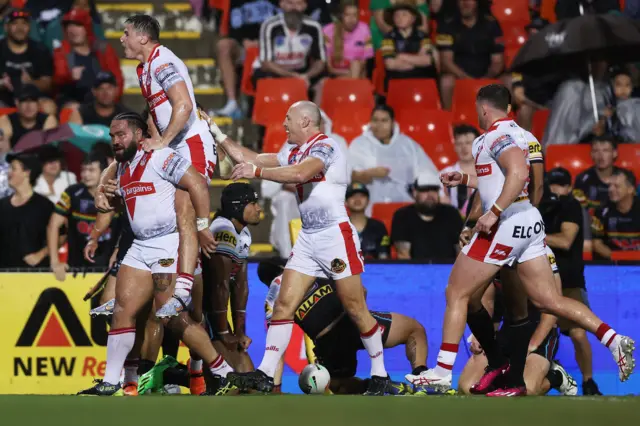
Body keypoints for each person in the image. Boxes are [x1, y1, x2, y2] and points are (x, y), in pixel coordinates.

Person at [417, 84, 634, 393]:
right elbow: (522, 181)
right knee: (549, 300)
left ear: (483, 109)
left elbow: (516, 173)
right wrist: (464, 178)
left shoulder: (490, 137)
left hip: (505, 221)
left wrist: (494, 212)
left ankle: (441, 370)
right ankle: (613, 339)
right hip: (530, 220)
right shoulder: (529, 138)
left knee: (457, 293)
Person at [212, 100, 392, 395]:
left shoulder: (327, 146)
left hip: (335, 235)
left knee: (356, 308)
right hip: (309, 238)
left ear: (306, 122)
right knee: (284, 304)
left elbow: (299, 175)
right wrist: (218, 136)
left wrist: (255, 173)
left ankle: (380, 373)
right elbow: (252, 157)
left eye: (288, 119)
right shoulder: (292, 150)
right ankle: (266, 374)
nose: (283, 124)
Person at [77, 112, 231, 396]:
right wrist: (105, 200)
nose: (115, 141)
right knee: (122, 310)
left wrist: (202, 224)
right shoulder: (123, 168)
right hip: (140, 245)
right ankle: (114, 381)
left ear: (139, 135)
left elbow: (196, 182)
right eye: (112, 136)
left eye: (120, 134)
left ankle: (223, 371)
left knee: (174, 317)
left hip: (169, 243)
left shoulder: (161, 157)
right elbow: (126, 206)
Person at [114, 14, 218, 317]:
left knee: (184, 207)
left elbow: (184, 105)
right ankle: (135, 290)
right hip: (174, 144)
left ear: (143, 38)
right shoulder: (145, 68)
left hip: (192, 144)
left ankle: (183, 289)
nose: (122, 38)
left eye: (126, 33)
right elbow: (153, 113)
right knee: (159, 211)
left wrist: (163, 142)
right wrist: (153, 142)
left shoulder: (162, 61)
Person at [137, 183, 263, 395]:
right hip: (200, 312)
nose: (259, 208)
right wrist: (223, 333)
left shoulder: (244, 234)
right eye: (253, 203)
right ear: (237, 207)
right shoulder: (223, 232)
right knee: (234, 386)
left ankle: (181, 375)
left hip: (210, 313)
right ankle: (163, 375)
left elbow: (240, 285)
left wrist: (239, 331)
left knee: (245, 379)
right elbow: (218, 287)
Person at [258, 258, 429, 395]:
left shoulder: (272, 299)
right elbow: (361, 291)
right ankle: (421, 378)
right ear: (284, 265)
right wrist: (363, 320)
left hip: (327, 343)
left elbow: (277, 345)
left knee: (340, 386)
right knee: (415, 331)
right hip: (350, 324)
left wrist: (276, 386)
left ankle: (372, 387)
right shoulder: (308, 267)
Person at [542, 167, 602, 395]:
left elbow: (566, 240)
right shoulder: (540, 208)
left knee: (578, 333)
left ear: (569, 187)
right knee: (534, 333)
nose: (556, 189)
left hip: (569, 282)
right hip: (542, 281)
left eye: (560, 185)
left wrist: (534, 233)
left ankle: (588, 381)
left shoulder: (571, 206)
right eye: (552, 184)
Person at [348, 104, 439, 213]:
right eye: (375, 120)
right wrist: (369, 174)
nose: (379, 125)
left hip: (407, 206)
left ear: (392, 123)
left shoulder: (408, 145)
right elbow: (349, 176)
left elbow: (427, 172)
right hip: (371, 208)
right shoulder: (359, 144)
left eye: (384, 121)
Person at [47, 153, 117, 281]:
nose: (86, 174)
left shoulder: (115, 193)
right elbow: (53, 225)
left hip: (110, 268)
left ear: (103, 172)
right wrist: (54, 261)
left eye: (91, 170)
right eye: (83, 170)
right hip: (76, 270)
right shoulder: (71, 193)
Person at [214, 0, 279, 118]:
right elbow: (233, 27)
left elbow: (285, 24)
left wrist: (262, 42)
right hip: (245, 46)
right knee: (223, 46)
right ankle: (232, 102)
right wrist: (243, 40)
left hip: (275, 46)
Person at [253, 0, 327, 103]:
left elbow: (321, 61)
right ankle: (269, 115)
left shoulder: (314, 26)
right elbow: (266, 63)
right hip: (275, 71)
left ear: (305, 6)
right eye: (290, 3)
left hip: (302, 71)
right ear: (281, 4)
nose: (294, 8)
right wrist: (292, 76)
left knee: (324, 81)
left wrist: (307, 76)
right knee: (263, 76)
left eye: (298, 3)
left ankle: (315, 115)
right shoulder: (270, 25)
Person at [436, 0, 504, 109]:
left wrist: (486, 78)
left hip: (487, 74)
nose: (465, 3)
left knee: (509, 80)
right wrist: (465, 78)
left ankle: (504, 123)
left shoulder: (491, 24)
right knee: (446, 81)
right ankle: (448, 119)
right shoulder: (446, 25)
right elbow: (446, 60)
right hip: (458, 75)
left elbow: (498, 61)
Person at [53, 7, 123, 107]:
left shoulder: (103, 49)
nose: (73, 30)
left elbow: (117, 80)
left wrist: (110, 101)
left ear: (87, 27)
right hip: (73, 102)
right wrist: (69, 77)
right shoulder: (61, 50)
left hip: (103, 101)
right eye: (69, 26)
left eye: (78, 25)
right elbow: (57, 82)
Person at [391, 172, 463, 260]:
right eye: (424, 190)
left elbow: (461, 252)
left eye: (434, 190)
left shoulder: (451, 214)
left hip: (448, 270)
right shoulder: (402, 216)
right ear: (414, 193)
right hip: (416, 270)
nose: (430, 195)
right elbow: (403, 255)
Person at [0, 152, 54, 268]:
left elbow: (61, 235)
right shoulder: (2, 205)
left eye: (13, 169)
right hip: (3, 275)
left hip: (34, 275)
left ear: (27, 173)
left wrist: (40, 255)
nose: (9, 173)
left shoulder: (44, 206)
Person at [0, 9, 56, 114]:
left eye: (24, 23)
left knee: (49, 106)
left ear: (29, 27)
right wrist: (2, 83)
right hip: (4, 98)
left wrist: (31, 83)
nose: (20, 28)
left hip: (33, 98)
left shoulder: (40, 50)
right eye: (15, 23)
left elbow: (47, 83)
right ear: (6, 27)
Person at [381, 3, 438, 91]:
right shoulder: (388, 37)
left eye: (404, 14)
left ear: (413, 18)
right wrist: (417, 60)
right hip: (396, 81)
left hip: (421, 80)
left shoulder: (423, 36)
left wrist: (400, 56)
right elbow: (390, 64)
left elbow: (428, 61)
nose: (400, 18)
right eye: (396, 15)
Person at [593, 169, 640, 257]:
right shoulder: (601, 210)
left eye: (616, 186)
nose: (610, 189)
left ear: (630, 189)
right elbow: (596, 244)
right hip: (612, 263)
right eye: (610, 185)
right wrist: (617, 259)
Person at [573, 135, 625, 216]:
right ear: (591, 154)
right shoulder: (582, 179)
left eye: (605, 151)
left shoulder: (625, 178)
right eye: (596, 151)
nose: (600, 156)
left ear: (614, 153)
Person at [323, 1, 374, 79]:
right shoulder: (327, 31)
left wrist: (353, 72)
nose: (352, 19)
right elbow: (329, 68)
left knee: (356, 63)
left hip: (359, 74)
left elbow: (364, 63)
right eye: (347, 15)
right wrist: (348, 73)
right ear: (341, 16)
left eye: (355, 15)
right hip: (336, 75)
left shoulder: (365, 29)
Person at [0, 84, 57, 149]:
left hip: (40, 157)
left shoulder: (48, 119)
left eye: (33, 101)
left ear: (38, 104)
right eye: (24, 100)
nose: (29, 106)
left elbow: (49, 148)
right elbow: (3, 149)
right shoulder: (6, 119)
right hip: (12, 157)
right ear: (17, 103)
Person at [440, 124, 480, 214]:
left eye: (468, 143)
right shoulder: (445, 174)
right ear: (454, 147)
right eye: (459, 144)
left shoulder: (489, 172)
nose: (464, 147)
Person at [345, 182, 390, 260]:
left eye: (362, 196)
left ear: (368, 201)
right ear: (346, 202)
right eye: (353, 196)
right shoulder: (338, 227)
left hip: (374, 271)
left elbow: (384, 258)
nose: (357, 199)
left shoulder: (379, 227)